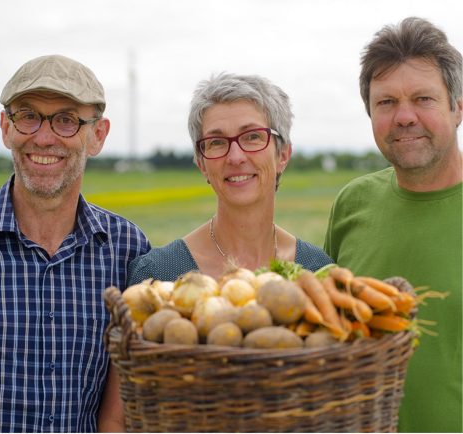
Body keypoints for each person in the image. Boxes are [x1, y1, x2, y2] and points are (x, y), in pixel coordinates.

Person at [0, 54, 151, 432]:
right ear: (5, 128)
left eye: (66, 120)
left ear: (98, 135)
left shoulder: (129, 249)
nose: (44, 137)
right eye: (28, 116)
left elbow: (127, 401)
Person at [324, 17, 462, 433]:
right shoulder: (351, 204)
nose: (404, 117)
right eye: (386, 103)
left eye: (423, 99)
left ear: (458, 108)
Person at [128, 73, 332, 283]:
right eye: (217, 142)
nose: (235, 157)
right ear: (202, 164)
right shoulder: (158, 274)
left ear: (282, 155)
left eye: (253, 137)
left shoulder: (317, 270)